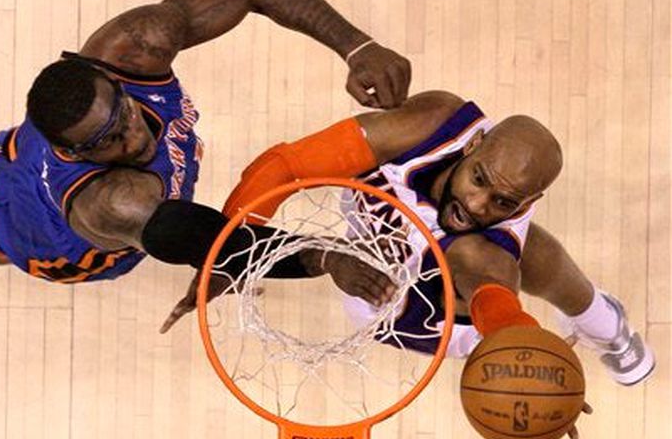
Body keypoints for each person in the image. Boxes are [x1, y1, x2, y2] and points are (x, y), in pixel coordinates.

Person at [0, 0, 411, 299]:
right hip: (52, 226)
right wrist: (321, 257)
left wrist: (357, 47)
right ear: (79, 155)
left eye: (122, 112)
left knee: (40, 132)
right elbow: (203, 238)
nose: (135, 134)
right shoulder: (114, 203)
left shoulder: (131, 49)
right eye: (112, 140)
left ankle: (7, 148)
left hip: (53, 140)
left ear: (111, 78)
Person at [165, 90, 655, 389]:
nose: (479, 205)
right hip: (381, 268)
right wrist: (227, 253)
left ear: (531, 201)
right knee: (536, 254)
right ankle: (603, 318)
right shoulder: (431, 126)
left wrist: (524, 348)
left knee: (528, 261)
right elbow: (286, 165)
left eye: (505, 202)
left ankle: (605, 326)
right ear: (475, 144)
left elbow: (496, 305)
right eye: (479, 179)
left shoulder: (485, 254)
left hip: (431, 316)